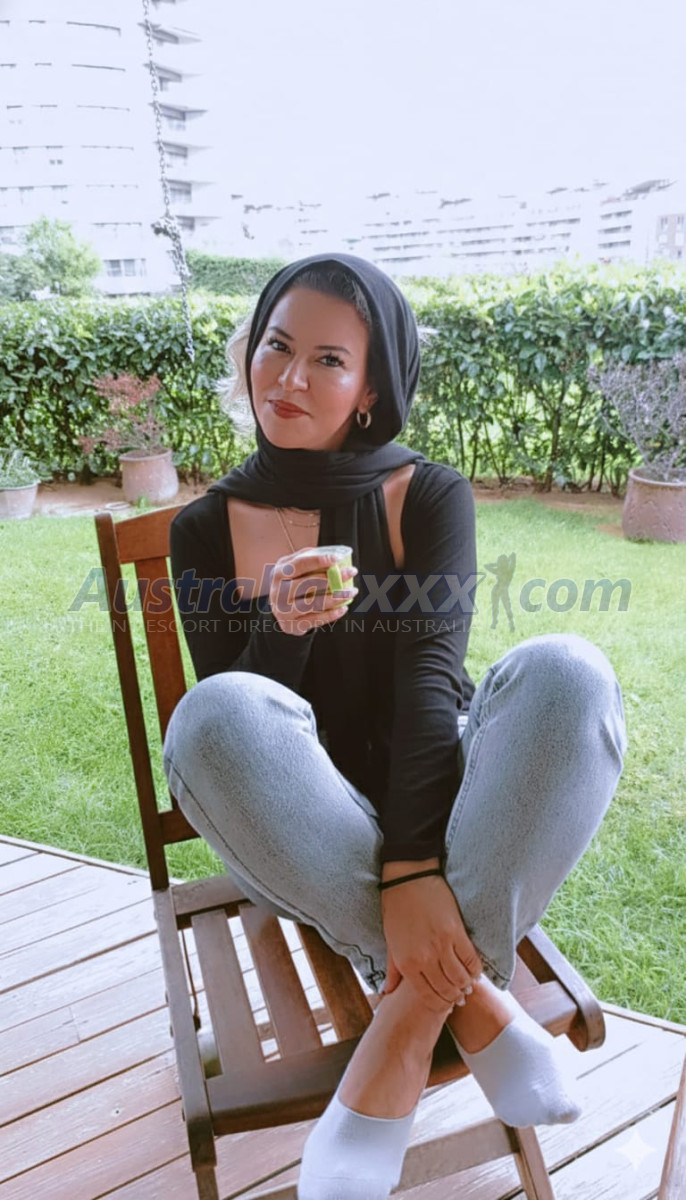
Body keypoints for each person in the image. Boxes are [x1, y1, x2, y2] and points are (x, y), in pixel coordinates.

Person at [162, 253, 627, 1200]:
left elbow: (428, 681)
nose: (289, 378)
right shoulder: (204, 529)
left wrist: (414, 866)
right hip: (302, 834)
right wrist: (280, 628)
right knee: (209, 715)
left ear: (370, 388)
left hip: (435, 803)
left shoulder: (427, 493)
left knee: (570, 673)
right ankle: (474, 999)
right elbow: (242, 735)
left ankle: (406, 1016)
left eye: (328, 360)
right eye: (276, 346)